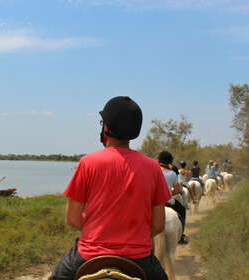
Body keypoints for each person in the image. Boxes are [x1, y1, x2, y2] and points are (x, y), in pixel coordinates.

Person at [49, 96, 171, 280]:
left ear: (106, 127)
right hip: (140, 259)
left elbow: (72, 219)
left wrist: (98, 232)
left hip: (88, 255)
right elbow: (158, 225)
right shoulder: (153, 167)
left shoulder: (87, 163)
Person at [158, 151, 188, 245]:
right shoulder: (173, 174)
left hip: (154, 202)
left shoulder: (153, 170)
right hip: (168, 201)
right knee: (182, 210)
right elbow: (176, 191)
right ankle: (181, 236)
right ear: (170, 161)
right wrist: (168, 192)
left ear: (159, 160)